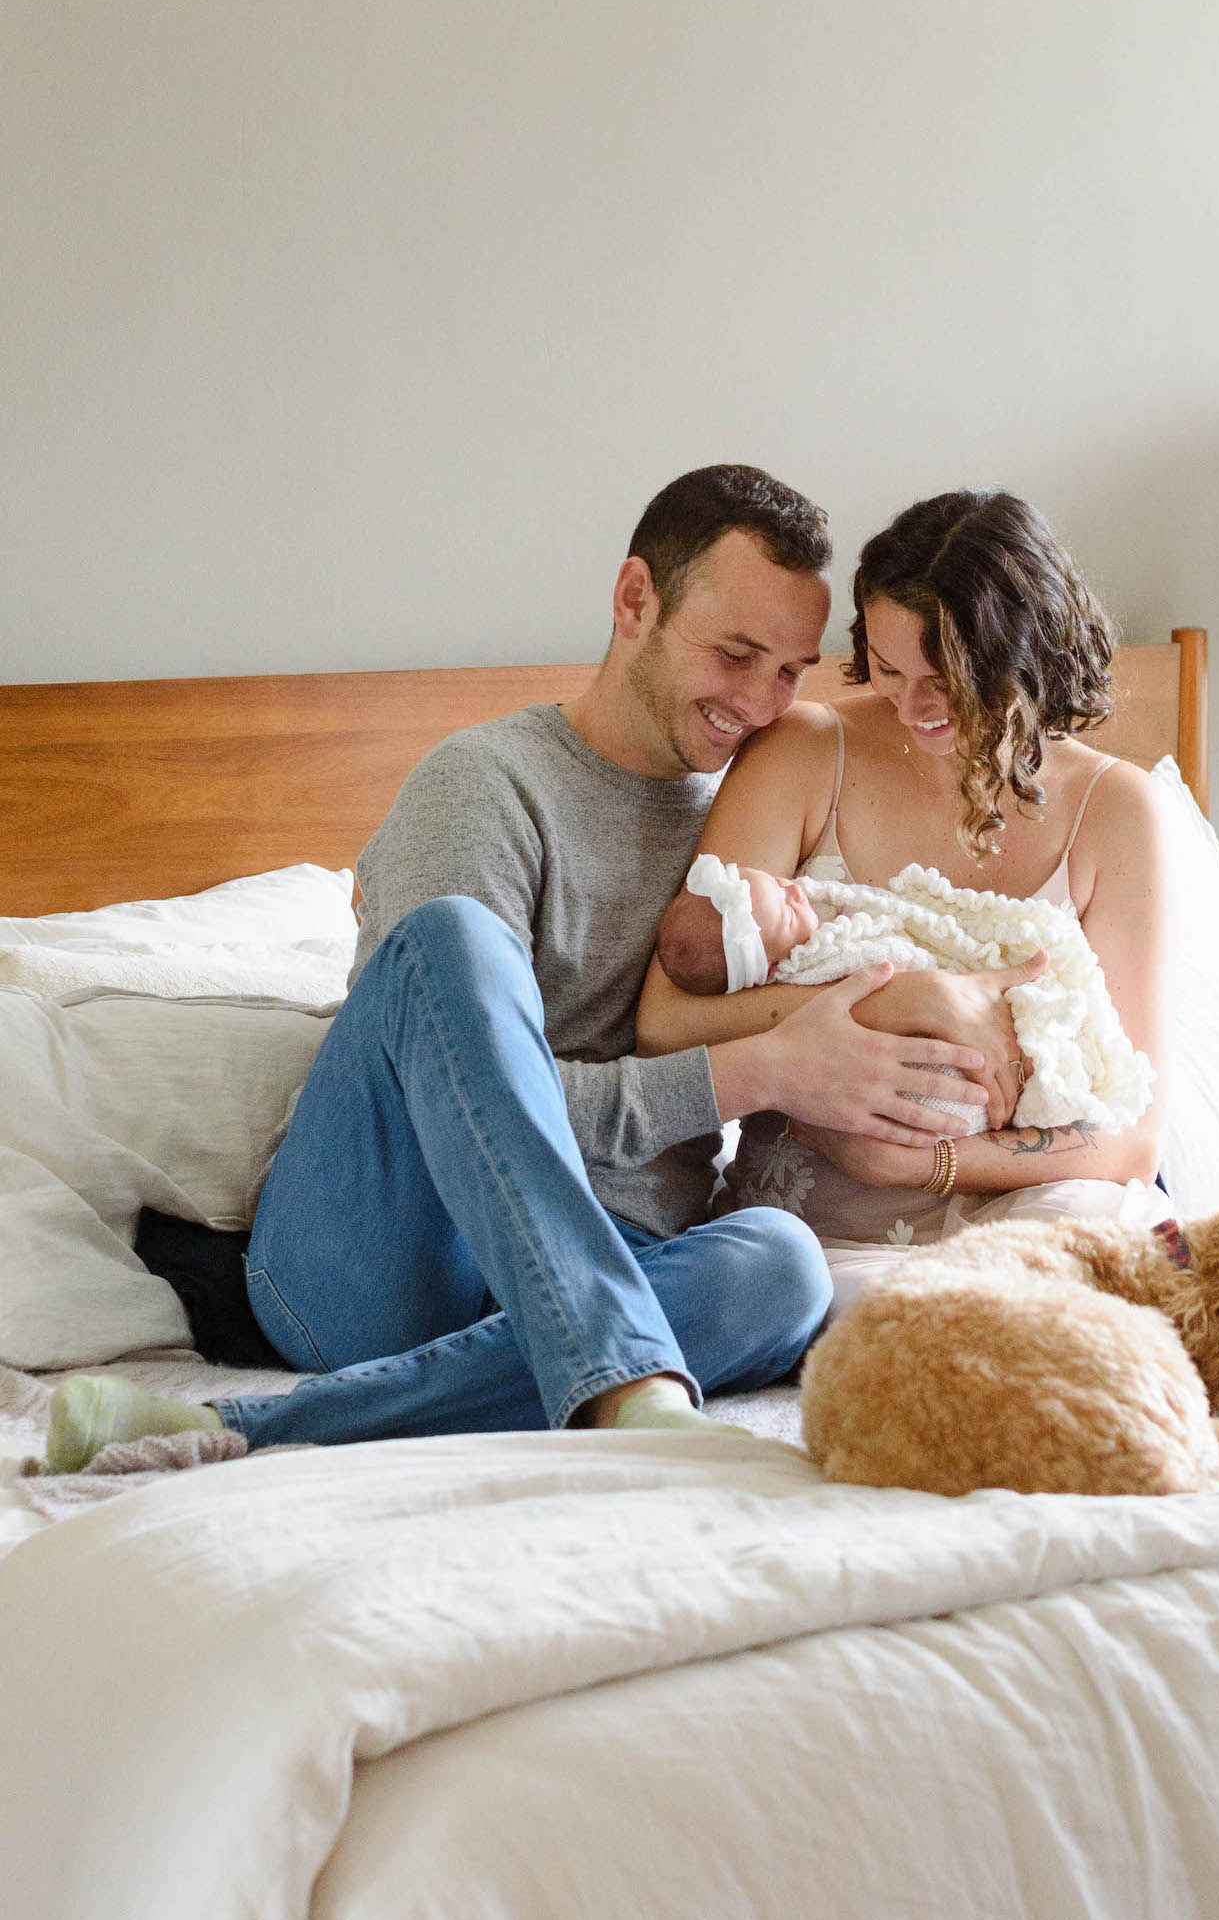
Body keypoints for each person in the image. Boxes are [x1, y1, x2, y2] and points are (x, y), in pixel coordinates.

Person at [45, 465, 1014, 1476]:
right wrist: (760, 1071)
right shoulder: (483, 786)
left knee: (780, 1266)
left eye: (789, 672)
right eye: (734, 653)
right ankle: (627, 1379)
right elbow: (458, 1103)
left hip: (613, 1265)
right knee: (452, 940)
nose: (759, 703)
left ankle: (271, 1426)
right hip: (392, 1258)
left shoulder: (752, 822)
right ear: (634, 600)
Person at [635, 489, 1171, 1292]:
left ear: (1028, 655)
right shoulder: (806, 752)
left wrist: (927, 1162)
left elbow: (1132, 1138)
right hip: (814, 1236)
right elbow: (665, 1022)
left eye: (948, 680)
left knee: (1133, 1264)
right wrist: (906, 998)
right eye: (889, 669)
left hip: (1035, 1205)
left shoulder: (1116, 809)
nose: (914, 707)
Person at [656, 850, 1155, 1136]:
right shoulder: (809, 968)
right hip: (917, 1079)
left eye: (783, 883)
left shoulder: (814, 912)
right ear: (764, 972)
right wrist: (918, 992)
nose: (797, 892)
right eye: (787, 911)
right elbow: (897, 965)